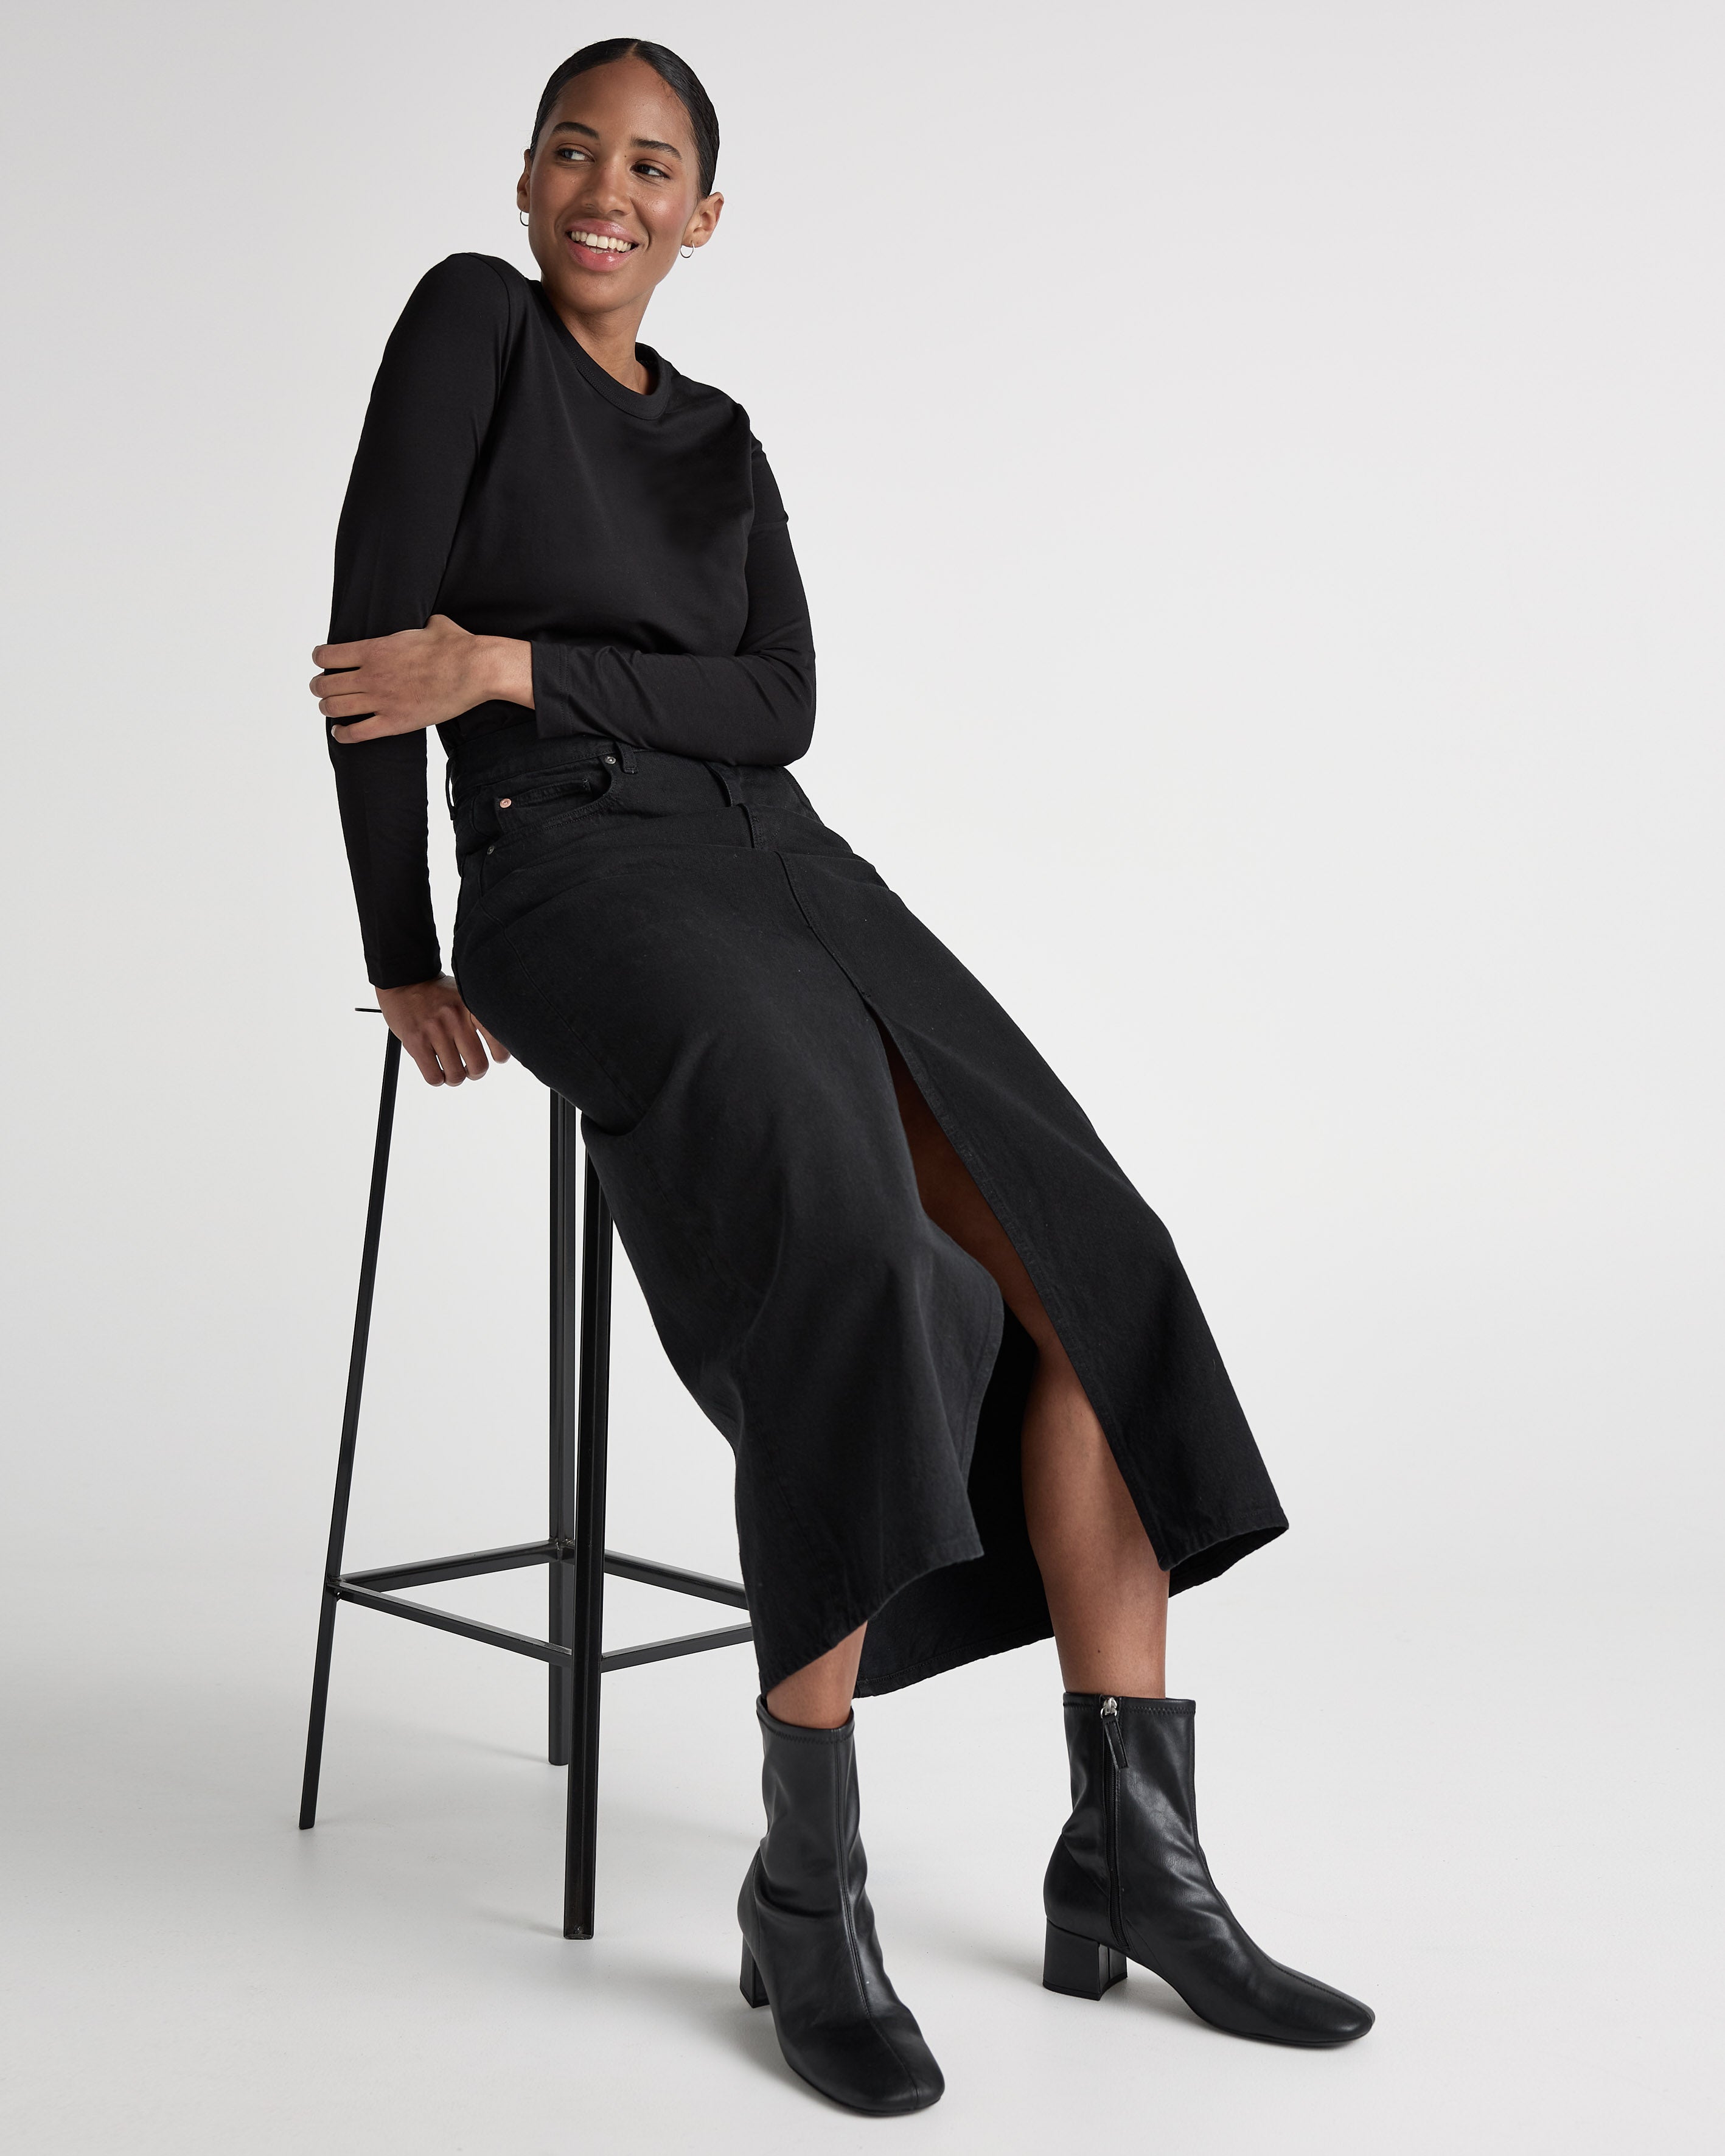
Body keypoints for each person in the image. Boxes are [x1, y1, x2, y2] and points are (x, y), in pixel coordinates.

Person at [312, 38, 1374, 2116]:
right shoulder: (469, 327)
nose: (606, 191)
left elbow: (781, 707)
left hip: (789, 866)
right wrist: (402, 950)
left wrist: (513, 658)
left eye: (653, 168)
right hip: (570, 867)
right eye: (573, 152)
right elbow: (367, 667)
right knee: (864, 1260)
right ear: (523, 179)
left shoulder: (721, 438)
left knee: (1094, 1255)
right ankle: (804, 1889)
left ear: (703, 218)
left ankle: (1134, 1859)